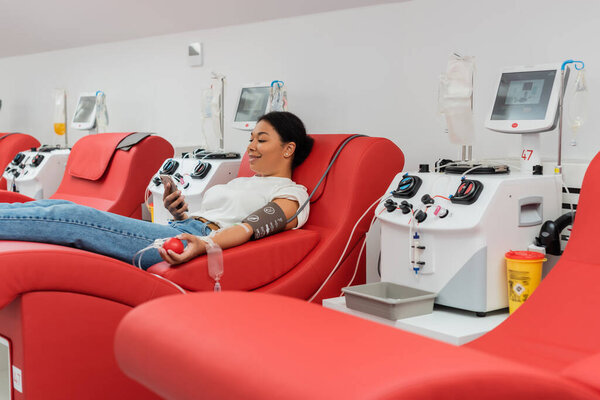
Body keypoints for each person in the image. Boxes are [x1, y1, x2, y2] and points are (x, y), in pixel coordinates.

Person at [0, 111, 314, 269]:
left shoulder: (292, 194)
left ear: (288, 149)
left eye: (262, 139)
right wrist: (179, 209)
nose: (251, 147)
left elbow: (248, 228)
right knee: (46, 209)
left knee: (68, 215)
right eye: (250, 140)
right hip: (177, 227)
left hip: (187, 240)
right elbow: (221, 217)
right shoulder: (241, 182)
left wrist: (202, 244)